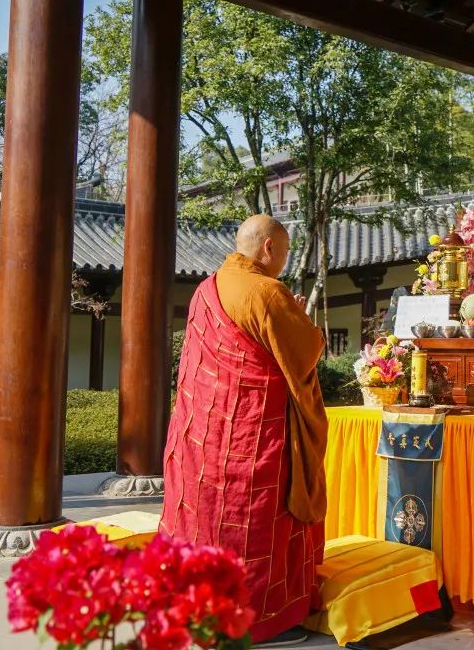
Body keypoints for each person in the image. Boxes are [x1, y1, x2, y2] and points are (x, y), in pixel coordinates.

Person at [160, 214, 328, 647]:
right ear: (269, 248)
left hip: (203, 435)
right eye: (285, 252)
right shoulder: (267, 291)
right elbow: (305, 351)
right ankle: (261, 619)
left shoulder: (205, 289)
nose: (285, 261)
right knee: (256, 522)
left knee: (205, 520)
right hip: (256, 433)